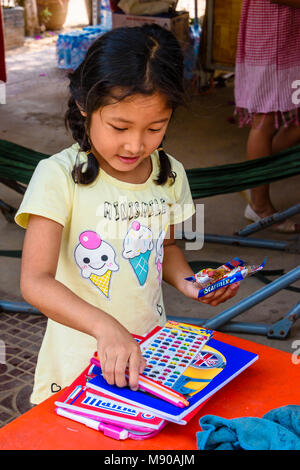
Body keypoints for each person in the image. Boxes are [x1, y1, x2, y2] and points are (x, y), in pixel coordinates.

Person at [16, 24, 240, 405]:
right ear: (85, 104)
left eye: (155, 128)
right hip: (77, 365)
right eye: (119, 126)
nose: (136, 144)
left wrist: (190, 283)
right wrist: (106, 328)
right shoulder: (57, 176)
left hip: (150, 357)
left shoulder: (169, 174)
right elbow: (35, 281)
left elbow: (164, 249)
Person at [234, 0, 300, 232]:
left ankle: (253, 179)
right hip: (271, 33)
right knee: (266, 119)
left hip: (291, 32)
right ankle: (259, 205)